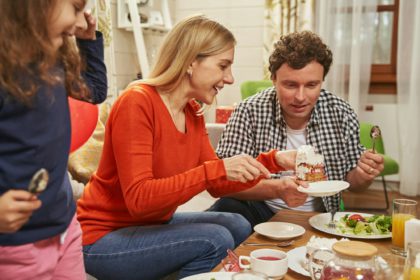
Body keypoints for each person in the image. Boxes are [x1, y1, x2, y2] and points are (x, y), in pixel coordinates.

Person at [77, 15, 297, 280]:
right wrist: (215, 170)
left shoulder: (192, 112)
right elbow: (139, 200)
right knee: (214, 238)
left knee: (237, 223)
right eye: (223, 66)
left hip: (149, 227)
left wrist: (274, 161)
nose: (229, 78)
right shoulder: (137, 102)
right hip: (102, 238)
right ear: (192, 61)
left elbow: (216, 185)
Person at [208, 31, 384, 227]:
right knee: (225, 211)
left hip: (319, 217)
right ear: (273, 78)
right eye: (290, 85)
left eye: (311, 85)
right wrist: (277, 189)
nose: (300, 97)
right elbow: (223, 184)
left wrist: (363, 174)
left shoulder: (340, 112)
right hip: (260, 210)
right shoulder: (249, 110)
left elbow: (354, 184)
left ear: (322, 81)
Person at [0, 0, 107, 279]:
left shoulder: (51, 60)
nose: (81, 21)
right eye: (74, 7)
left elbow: (94, 91)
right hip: (15, 244)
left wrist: (88, 41)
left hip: (64, 229)